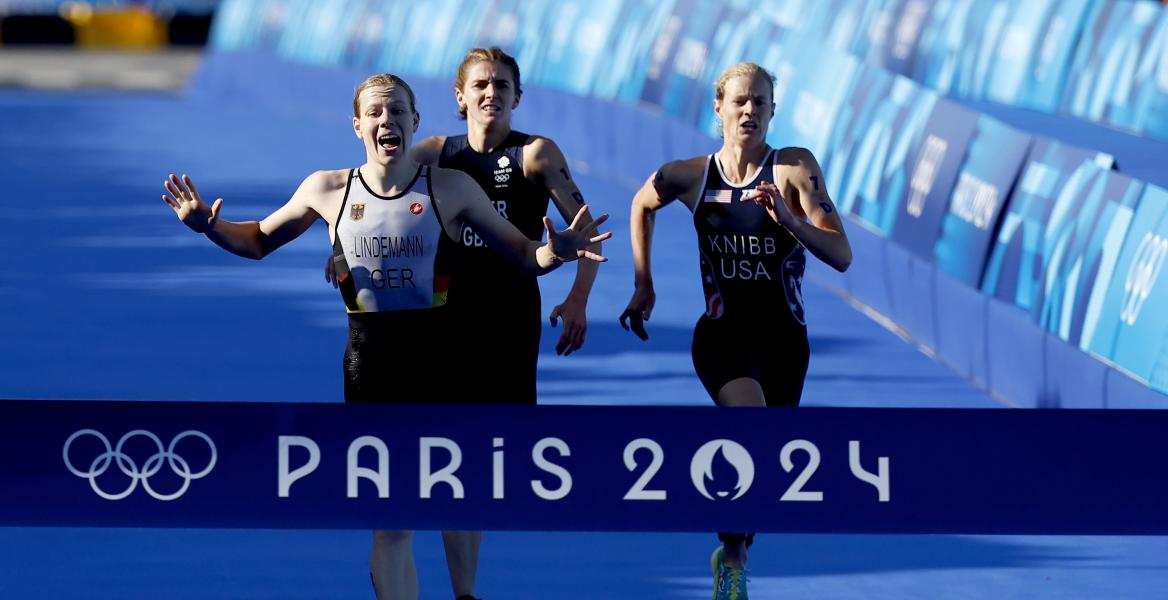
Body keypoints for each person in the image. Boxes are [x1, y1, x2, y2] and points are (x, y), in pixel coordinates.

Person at [161, 72, 610, 600]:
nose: (386, 121)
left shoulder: (451, 187)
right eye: (375, 112)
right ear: (357, 126)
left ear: (414, 122)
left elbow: (519, 253)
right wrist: (209, 226)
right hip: (370, 369)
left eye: (397, 111)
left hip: (447, 363)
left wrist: (555, 250)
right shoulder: (326, 189)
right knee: (391, 519)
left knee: (455, 492)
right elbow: (258, 240)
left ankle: (465, 594)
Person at [324, 48, 601, 600]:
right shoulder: (434, 154)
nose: (490, 93)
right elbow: (374, 198)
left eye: (502, 84)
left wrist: (577, 300)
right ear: (460, 97)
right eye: (480, 84)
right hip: (443, 326)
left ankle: (463, 589)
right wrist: (340, 251)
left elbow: (582, 232)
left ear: (517, 97)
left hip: (508, 325)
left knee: (483, 462)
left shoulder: (537, 155)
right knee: (441, 457)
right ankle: (417, 566)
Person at [618, 62, 851, 600]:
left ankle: (733, 552)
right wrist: (643, 283)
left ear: (773, 112)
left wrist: (791, 222)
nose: (750, 111)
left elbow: (841, 253)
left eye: (761, 103)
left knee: (765, 460)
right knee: (747, 425)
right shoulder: (691, 175)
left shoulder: (794, 168)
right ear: (718, 108)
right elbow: (640, 203)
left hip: (785, 344)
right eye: (740, 102)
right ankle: (735, 559)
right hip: (723, 336)